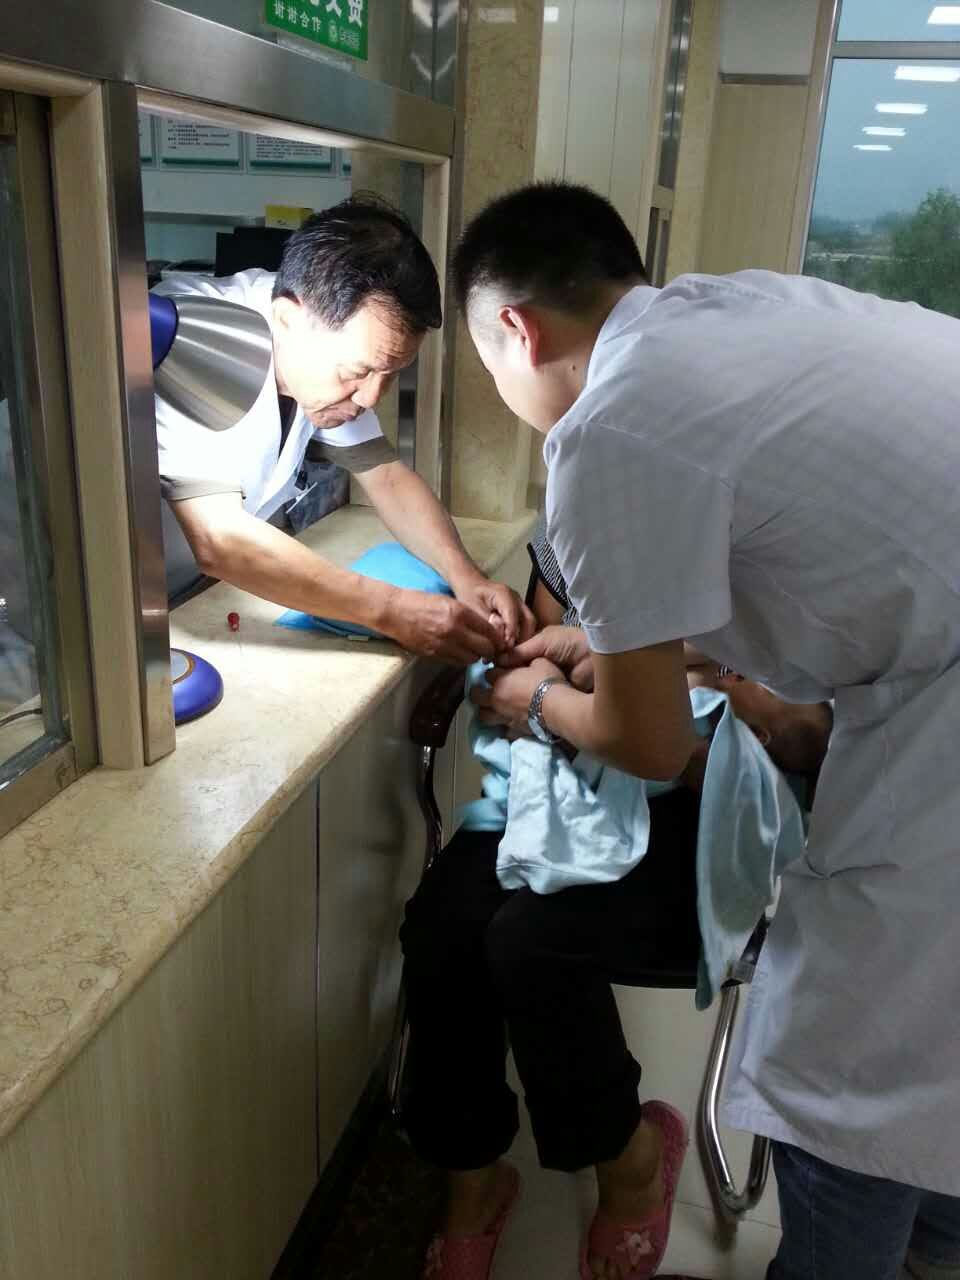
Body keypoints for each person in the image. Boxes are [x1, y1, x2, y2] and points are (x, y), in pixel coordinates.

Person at [451, 180, 960, 1280]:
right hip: (927, 661)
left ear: (515, 330)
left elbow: (651, 747)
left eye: (487, 369)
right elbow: (808, 547)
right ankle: (935, 1240)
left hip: (939, 714)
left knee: (853, 1076)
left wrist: (529, 700)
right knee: (932, 1056)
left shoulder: (608, 429)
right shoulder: (729, 313)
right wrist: (619, 646)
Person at [401, 527, 831, 1280]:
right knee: (445, 924)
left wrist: (612, 696)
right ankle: (472, 1176)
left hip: (704, 808)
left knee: (531, 941)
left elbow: (804, 736)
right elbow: (532, 669)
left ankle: (629, 1157)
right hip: (570, 780)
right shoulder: (581, 523)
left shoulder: (785, 540)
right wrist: (542, 674)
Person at [153, 195, 533, 664]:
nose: (371, 396)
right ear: (289, 320)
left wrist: (467, 578)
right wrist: (392, 611)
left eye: (390, 374)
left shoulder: (325, 342)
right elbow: (219, 539)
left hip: (199, 596)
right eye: (359, 371)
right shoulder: (191, 341)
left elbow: (386, 476)